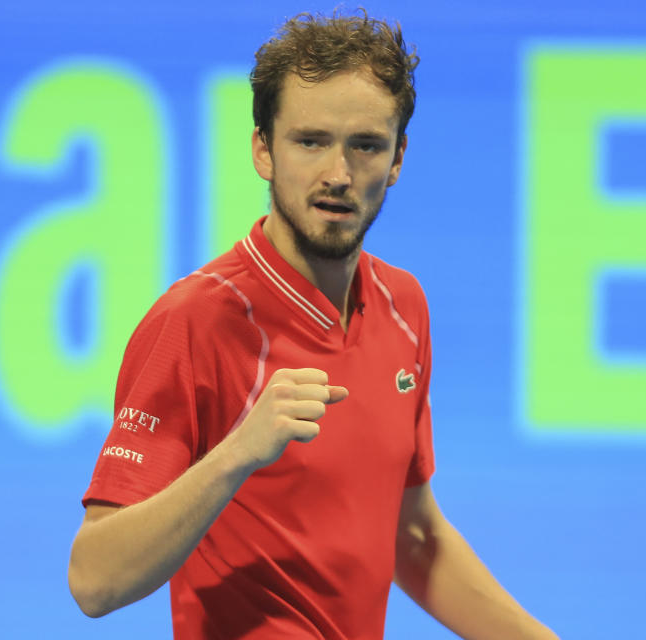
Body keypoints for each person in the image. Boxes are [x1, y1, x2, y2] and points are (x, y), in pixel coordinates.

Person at [68, 10, 558, 640]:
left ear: (398, 158)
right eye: (310, 141)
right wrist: (236, 455)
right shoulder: (194, 321)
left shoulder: (404, 307)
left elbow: (410, 534)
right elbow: (93, 580)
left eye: (366, 145)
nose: (338, 173)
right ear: (262, 149)